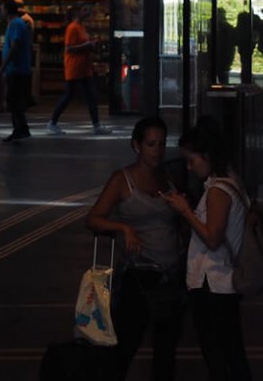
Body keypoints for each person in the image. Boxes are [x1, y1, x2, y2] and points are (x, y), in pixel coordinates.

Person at [85, 116, 186, 381]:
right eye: (151, 144)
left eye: (162, 144)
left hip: (170, 274)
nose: (157, 150)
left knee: (166, 352)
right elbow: (94, 218)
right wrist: (124, 229)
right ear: (137, 145)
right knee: (124, 347)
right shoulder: (123, 180)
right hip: (139, 275)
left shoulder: (168, 177)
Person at [162, 117, 251, 380]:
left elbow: (212, 238)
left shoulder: (217, 191)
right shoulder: (232, 181)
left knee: (217, 355)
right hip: (222, 284)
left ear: (208, 156)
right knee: (232, 352)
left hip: (214, 283)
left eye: (192, 160)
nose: (189, 168)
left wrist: (186, 212)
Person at [48, 4, 110, 135]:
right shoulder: (72, 28)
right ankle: (52, 122)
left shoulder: (81, 27)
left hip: (83, 68)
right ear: (78, 12)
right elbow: (69, 48)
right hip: (75, 68)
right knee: (69, 96)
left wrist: (90, 45)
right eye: (85, 10)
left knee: (90, 96)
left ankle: (96, 125)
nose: (88, 13)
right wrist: (87, 45)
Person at [0, 0, 34, 141]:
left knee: (14, 100)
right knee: (15, 100)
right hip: (17, 68)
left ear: (6, 9)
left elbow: (14, 45)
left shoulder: (15, 24)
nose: (0, 11)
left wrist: (3, 66)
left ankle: (19, 130)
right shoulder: (16, 23)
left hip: (17, 69)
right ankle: (22, 129)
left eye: (1, 8)